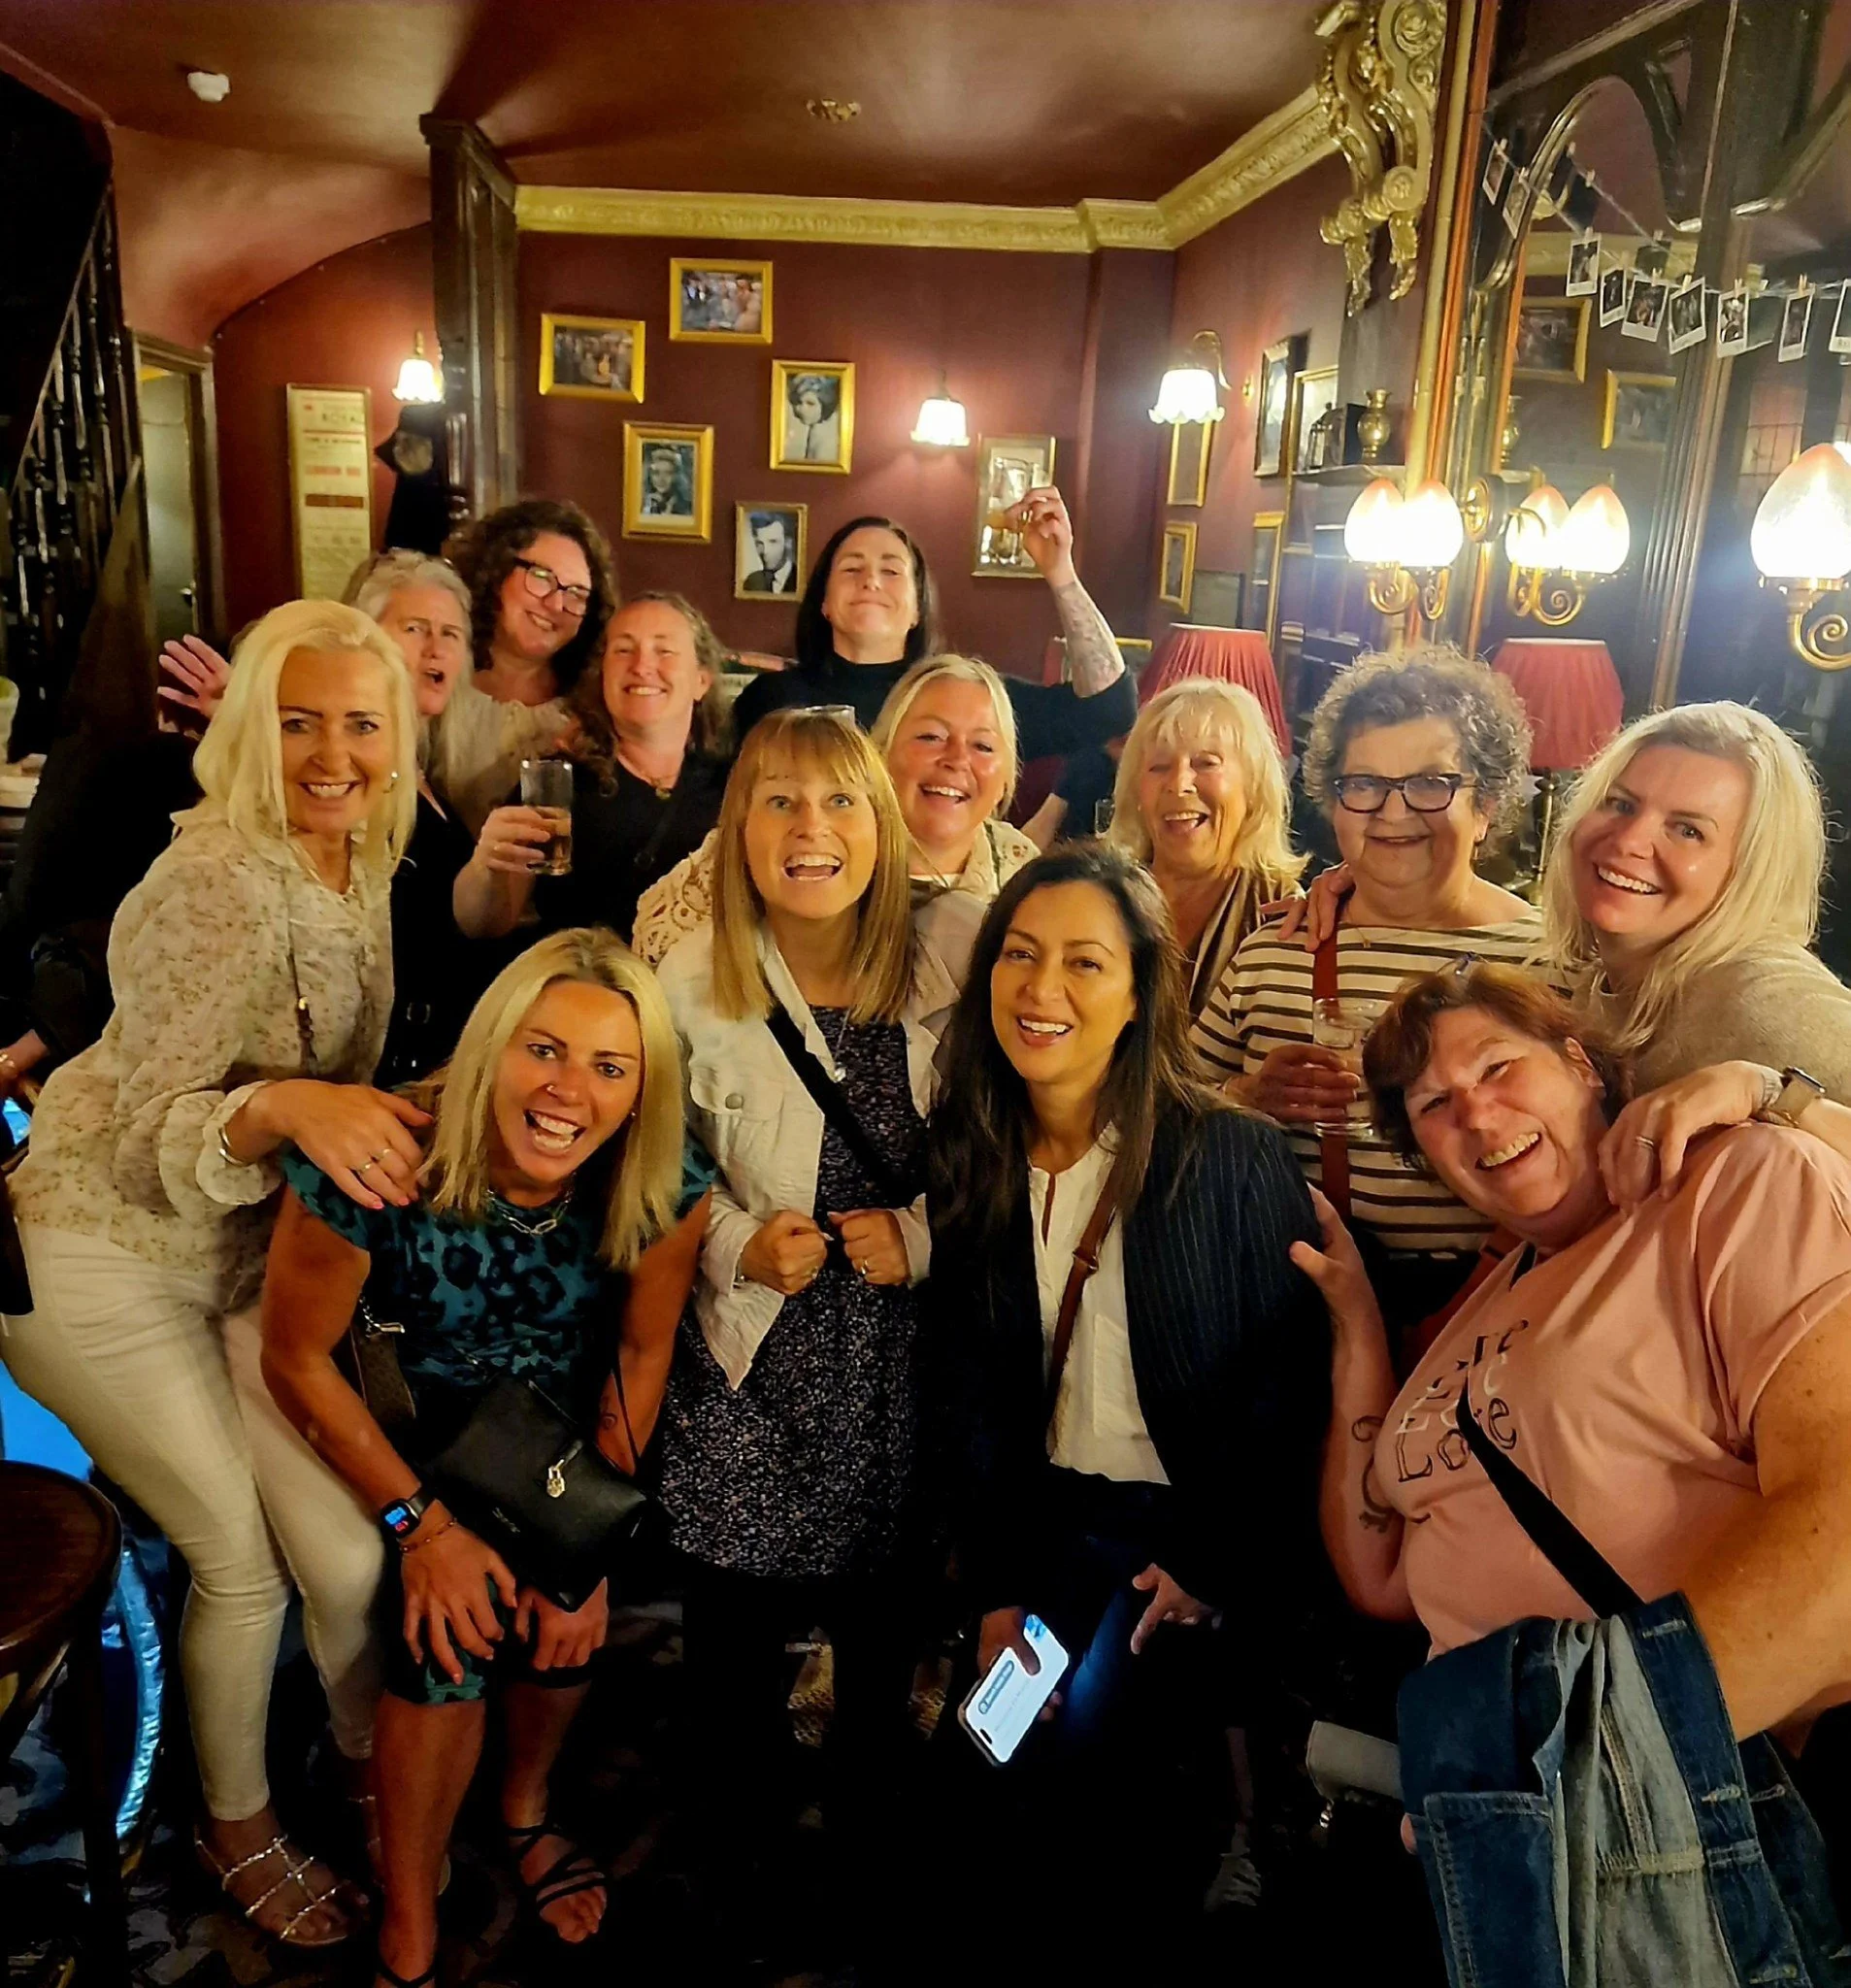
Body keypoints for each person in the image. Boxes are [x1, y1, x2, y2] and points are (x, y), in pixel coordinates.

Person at [0, 601, 423, 1948]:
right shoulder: (213, 880)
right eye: (298, 721)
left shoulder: (359, 858)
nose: (333, 754)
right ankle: (234, 1823)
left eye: (360, 723)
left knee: (345, 1555)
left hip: (236, 1261)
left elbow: (322, 1078)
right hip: (99, 1254)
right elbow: (142, 1132)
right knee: (241, 1563)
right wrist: (287, 1106)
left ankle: (372, 1774)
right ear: (247, 728)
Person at [1306, 961, 1851, 1982]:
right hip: (1489, 1832)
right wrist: (1357, 1329)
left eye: (1497, 1066)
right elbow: (1378, 1578)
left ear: (1579, 1063)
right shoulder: (1473, 1312)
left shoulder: (1737, 1184)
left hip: (1652, 1822)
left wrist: (1561, 1789)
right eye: (1432, 1105)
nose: (1476, 1113)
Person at [244, 929, 702, 1988]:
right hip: (408, 1435)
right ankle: (410, 1916)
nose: (568, 1092)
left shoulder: (664, 1176)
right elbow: (295, 1359)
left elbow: (641, 1353)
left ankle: (524, 1808)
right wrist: (423, 1529)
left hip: (553, 1441)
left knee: (564, 1614)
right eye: (542, 1050)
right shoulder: (379, 1160)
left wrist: (581, 1542)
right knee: (446, 1639)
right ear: (490, 1045)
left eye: (609, 1066)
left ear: (641, 1090)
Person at [925, 844, 1328, 1951]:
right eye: (1018, 954)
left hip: (1177, 1544)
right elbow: (972, 1395)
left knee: (1093, 1786)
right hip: (1050, 1530)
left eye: (1085, 962)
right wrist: (995, 1593)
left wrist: (1211, 1563)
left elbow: (1286, 1390)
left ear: (1140, 992)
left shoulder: (1226, 1155)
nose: (1041, 988)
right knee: (983, 1765)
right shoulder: (973, 1154)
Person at [651, 709, 955, 1944]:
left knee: (882, 1639)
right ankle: (739, 1871)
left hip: (897, 1363)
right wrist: (732, 1238)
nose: (808, 827)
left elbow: (1012, 1157)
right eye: (777, 800)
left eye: (837, 801)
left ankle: (866, 1860)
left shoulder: (949, 960)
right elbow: (649, 1164)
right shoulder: (687, 980)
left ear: (879, 824)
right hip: (748, 1355)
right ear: (738, 827)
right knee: (729, 1645)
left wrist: (919, 1236)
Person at [1191, 646, 1538, 1342]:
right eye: (1364, 785)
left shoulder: (1550, 963)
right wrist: (1242, 1098)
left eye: (1431, 784)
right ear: (1334, 803)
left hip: (1495, 1323)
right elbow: (1160, 1112)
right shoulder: (1273, 952)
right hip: (1285, 1318)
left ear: (1486, 806)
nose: (1392, 812)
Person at [632, 652, 1038, 979]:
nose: (956, 760)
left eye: (983, 746)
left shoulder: (1020, 867)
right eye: (931, 737)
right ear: (879, 755)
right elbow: (654, 946)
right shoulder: (790, 839)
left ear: (1006, 777)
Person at [1541, 700, 1851, 1099]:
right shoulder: (1604, 984)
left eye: (1688, 830)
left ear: (1751, 871)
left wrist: (1772, 1095)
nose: (1629, 841)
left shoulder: (1766, 996)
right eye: (1621, 804)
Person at [725, 500, 1137, 757]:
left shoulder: (965, 697)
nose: (871, 581)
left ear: (917, 610)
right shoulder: (771, 699)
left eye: (891, 571)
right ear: (824, 603)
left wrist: (1060, 571)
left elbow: (1109, 710)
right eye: (851, 569)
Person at [454, 592, 731, 947]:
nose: (642, 666)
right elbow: (481, 923)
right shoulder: (556, 782)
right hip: (582, 977)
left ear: (701, 681)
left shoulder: (735, 783)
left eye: (664, 650)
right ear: (603, 674)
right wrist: (485, 866)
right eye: (624, 650)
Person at [342, 550, 498, 1088]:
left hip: (441, 1060)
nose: (436, 647)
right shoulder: (344, 772)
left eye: (451, 634)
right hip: (383, 1070)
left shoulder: (428, 774)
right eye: (415, 629)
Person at [1107, 677, 1305, 1019]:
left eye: (1206, 763)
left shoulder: (1284, 915)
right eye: (1159, 767)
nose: (1179, 784)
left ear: (1253, 786)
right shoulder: (1103, 897)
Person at [435, 498, 617, 833]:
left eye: (577, 593)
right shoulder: (435, 681)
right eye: (542, 577)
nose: (557, 603)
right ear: (495, 569)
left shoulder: (598, 707)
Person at [782, 374, 840, 464]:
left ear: (825, 405)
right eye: (799, 402)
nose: (802, 409)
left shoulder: (827, 441)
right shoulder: (813, 431)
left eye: (810, 403)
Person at [742, 511, 797, 594]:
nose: (765, 551)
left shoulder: (800, 580)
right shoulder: (752, 582)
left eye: (773, 542)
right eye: (759, 543)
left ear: (788, 543)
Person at [641, 445, 693, 517]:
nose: (662, 479)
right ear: (649, 475)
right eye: (656, 473)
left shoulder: (685, 507)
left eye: (668, 473)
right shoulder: (641, 503)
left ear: (675, 476)